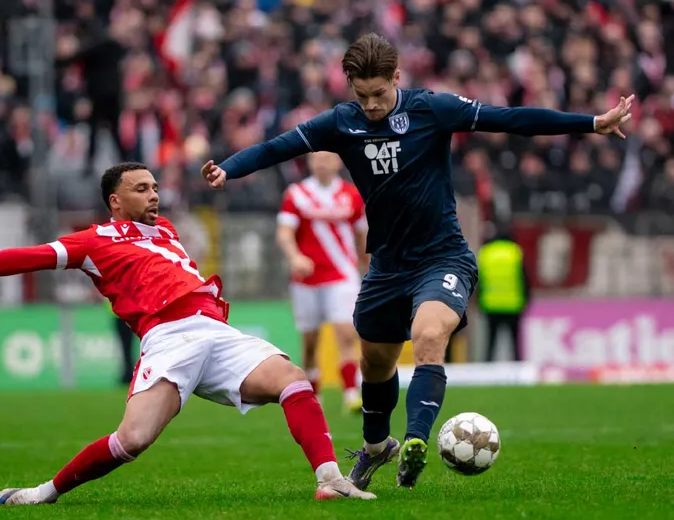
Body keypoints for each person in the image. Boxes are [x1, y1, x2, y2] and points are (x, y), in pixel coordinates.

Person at [201, 33, 632, 489]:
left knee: (429, 335)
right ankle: (375, 448)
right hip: (386, 266)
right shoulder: (342, 122)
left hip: (443, 256)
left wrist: (591, 123)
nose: (370, 105)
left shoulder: (432, 109)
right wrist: (230, 167)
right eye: (361, 95)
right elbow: (278, 147)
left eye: (379, 94)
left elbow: (512, 119)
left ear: (397, 78)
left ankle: (416, 442)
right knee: (375, 364)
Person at [0, 162, 375, 504]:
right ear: (115, 200)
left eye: (154, 187)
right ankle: (44, 493)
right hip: (168, 339)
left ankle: (329, 478)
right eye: (142, 189)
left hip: (213, 328)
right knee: (133, 440)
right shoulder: (93, 241)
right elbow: (23, 257)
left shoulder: (164, 228)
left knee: (293, 379)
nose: (154, 195)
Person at [276, 151, 367, 413]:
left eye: (328, 159)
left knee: (346, 332)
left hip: (342, 274)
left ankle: (351, 392)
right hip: (307, 278)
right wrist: (294, 257)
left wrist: (369, 265)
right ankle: (314, 394)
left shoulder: (352, 195)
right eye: (318, 159)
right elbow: (285, 232)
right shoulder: (297, 194)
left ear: (338, 162)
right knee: (310, 342)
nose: (323, 164)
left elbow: (362, 234)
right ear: (310, 162)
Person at [476, 225, 531, 362]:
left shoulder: (485, 253)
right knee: (514, 342)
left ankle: (486, 369)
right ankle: (518, 370)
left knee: (490, 342)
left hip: (491, 303)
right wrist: (526, 299)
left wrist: (478, 301)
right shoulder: (515, 252)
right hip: (513, 304)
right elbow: (524, 279)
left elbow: (479, 280)